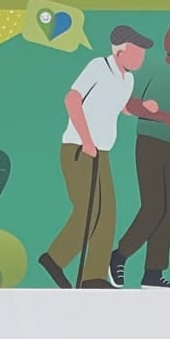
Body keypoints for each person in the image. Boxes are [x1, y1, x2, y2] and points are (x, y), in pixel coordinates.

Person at [45, 22, 143, 286]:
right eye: (137, 51)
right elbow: (72, 99)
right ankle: (55, 258)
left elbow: (122, 107)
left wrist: (146, 109)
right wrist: (86, 141)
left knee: (107, 213)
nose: (141, 56)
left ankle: (93, 276)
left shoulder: (128, 79)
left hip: (103, 152)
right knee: (89, 209)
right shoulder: (98, 67)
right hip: (79, 147)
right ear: (121, 52)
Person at [108, 14, 170, 286]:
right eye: (168, 35)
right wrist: (162, 117)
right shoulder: (150, 67)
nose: (169, 41)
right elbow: (130, 106)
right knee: (153, 207)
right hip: (150, 142)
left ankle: (153, 274)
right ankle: (119, 255)